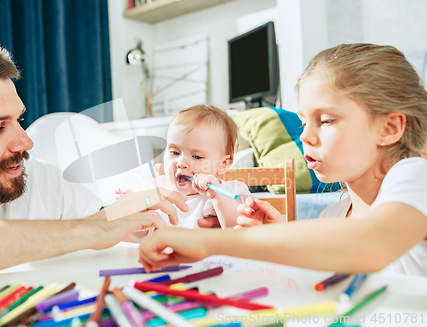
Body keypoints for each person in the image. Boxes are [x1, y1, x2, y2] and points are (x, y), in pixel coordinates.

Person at [138, 43, 427, 276]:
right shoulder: (335, 216)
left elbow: (370, 244)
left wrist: (206, 243)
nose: (305, 137)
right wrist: (279, 237)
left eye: (325, 121)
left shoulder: (416, 176)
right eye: (303, 123)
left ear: (389, 128)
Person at [0, 38, 188, 281]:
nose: (26, 142)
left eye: (19, 120)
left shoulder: (44, 181)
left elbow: (106, 229)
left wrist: (139, 226)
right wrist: (87, 231)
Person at [116, 104, 251, 230]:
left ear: (223, 164)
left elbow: (237, 229)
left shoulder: (223, 195)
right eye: (175, 153)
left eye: (197, 157)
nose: (181, 163)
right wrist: (133, 213)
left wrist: (216, 196)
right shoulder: (158, 189)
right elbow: (141, 235)